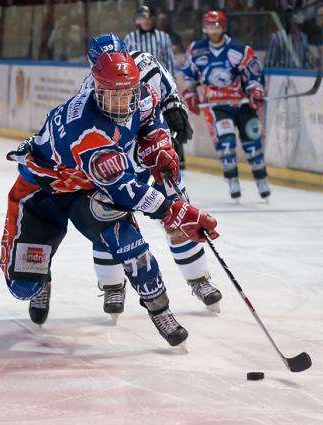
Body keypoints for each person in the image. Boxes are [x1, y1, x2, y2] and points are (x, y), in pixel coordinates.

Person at [0, 52, 219, 347]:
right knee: (22, 287)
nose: (120, 102)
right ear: (96, 89)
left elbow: (152, 124)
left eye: (126, 93)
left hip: (88, 188)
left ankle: (161, 311)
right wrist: (175, 211)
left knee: (129, 243)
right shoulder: (86, 131)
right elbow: (125, 189)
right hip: (44, 192)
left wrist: (159, 150)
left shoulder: (141, 96)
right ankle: (41, 276)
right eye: (111, 95)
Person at [81, 33, 222, 320]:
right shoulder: (88, 92)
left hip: (154, 154)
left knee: (179, 214)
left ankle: (200, 279)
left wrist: (175, 116)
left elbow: (168, 96)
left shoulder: (146, 63)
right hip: (117, 165)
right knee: (110, 224)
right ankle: (112, 285)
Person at [182, 10, 271, 201]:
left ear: (223, 26)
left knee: (253, 144)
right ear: (204, 27)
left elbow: (253, 74)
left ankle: (262, 180)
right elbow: (189, 76)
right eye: (209, 26)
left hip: (242, 104)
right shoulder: (196, 50)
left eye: (216, 26)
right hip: (217, 106)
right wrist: (190, 94)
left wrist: (255, 91)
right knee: (226, 143)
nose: (213, 30)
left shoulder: (240, 50)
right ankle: (232, 181)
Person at [82, 33, 192, 167]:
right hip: (124, 152)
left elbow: (169, 92)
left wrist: (174, 110)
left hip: (156, 134)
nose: (116, 66)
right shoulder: (88, 90)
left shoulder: (145, 62)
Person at [124, 6, 175, 74]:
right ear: (138, 20)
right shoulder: (130, 37)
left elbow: (169, 61)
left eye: (149, 18)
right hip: (138, 79)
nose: (146, 21)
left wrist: (171, 80)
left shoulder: (163, 37)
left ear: (153, 19)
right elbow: (125, 60)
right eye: (143, 18)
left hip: (159, 78)